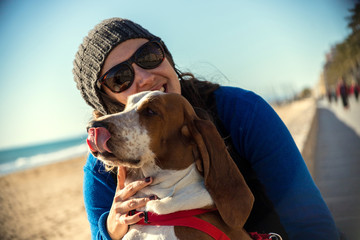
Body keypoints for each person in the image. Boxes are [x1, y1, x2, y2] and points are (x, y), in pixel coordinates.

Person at [73, 18, 339, 240]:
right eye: (120, 79)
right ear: (109, 102)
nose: (144, 77)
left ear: (167, 56)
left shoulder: (241, 111)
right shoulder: (101, 164)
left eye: (149, 56)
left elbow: (311, 222)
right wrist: (111, 228)